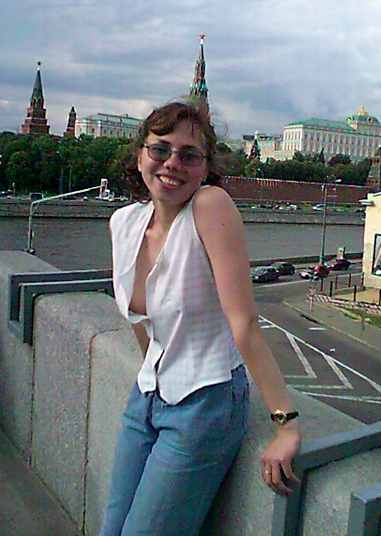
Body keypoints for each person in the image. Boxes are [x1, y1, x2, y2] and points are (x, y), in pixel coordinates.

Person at [100, 100, 301, 536]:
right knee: (112, 527)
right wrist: (154, 371)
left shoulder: (211, 207)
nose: (172, 163)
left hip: (205, 402)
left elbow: (244, 323)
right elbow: (141, 322)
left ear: (206, 167)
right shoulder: (125, 222)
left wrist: (285, 424)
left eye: (189, 155)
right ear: (140, 155)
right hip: (146, 397)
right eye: (160, 149)